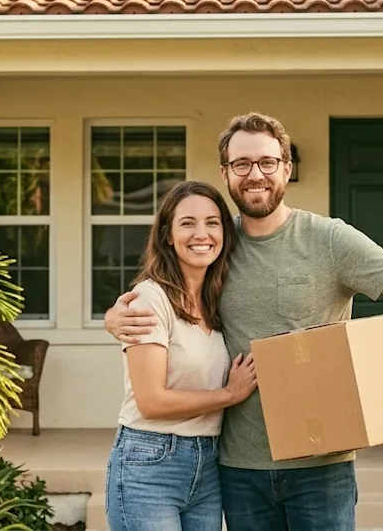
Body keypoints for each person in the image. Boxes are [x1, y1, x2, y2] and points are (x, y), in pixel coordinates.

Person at [105, 112, 383, 531]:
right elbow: (170, 294)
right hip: (237, 467)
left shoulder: (330, 240)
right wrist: (116, 316)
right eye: (242, 164)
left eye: (267, 162)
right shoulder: (216, 243)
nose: (255, 175)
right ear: (226, 173)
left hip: (321, 463)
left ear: (286, 167)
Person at [105, 179, 260, 531]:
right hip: (149, 462)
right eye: (187, 223)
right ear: (167, 235)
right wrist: (229, 395)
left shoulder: (218, 299)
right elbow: (151, 401)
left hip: (207, 465)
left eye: (212, 222)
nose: (201, 234)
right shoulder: (150, 298)